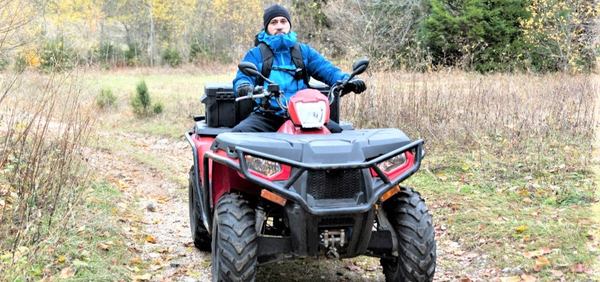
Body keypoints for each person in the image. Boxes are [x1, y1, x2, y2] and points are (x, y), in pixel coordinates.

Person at [232, 4, 366, 133]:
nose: (279, 26)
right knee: (238, 136)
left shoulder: (304, 52)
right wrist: (244, 86)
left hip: (305, 114)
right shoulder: (255, 54)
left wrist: (348, 80)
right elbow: (243, 77)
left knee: (337, 134)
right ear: (266, 27)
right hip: (268, 115)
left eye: (283, 21)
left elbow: (328, 70)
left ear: (289, 25)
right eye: (274, 22)